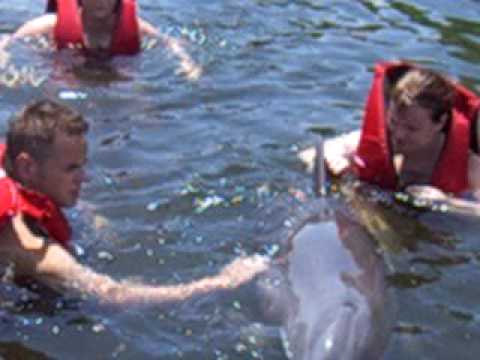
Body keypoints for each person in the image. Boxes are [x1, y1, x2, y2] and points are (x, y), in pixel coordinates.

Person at [0, 99, 267, 306]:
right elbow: (113, 296)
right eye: (71, 169)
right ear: (27, 167)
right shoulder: (31, 247)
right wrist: (222, 282)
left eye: (82, 165)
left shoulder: (12, 170)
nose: (84, 177)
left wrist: (92, 216)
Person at [299, 61, 480, 204]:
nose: (399, 135)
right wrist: (331, 160)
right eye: (393, 122)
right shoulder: (382, 138)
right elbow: (308, 154)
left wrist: (447, 203)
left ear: (440, 122)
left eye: (411, 128)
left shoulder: (470, 166)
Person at [0, 0, 201, 80]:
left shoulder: (134, 25)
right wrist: (3, 57)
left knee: (138, 100)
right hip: (70, 70)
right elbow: (10, 39)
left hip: (114, 72)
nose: (102, 3)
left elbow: (168, 42)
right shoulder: (52, 23)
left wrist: (187, 63)